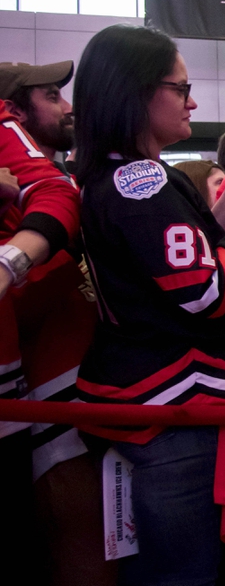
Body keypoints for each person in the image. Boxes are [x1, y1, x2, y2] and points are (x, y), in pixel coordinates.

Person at [71, 24, 225, 585]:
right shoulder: (138, 181)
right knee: (184, 573)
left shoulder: (124, 175)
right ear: (138, 92)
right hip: (171, 412)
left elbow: (173, 266)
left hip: (150, 404)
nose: (192, 101)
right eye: (180, 87)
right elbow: (206, 291)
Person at [0, 63, 82, 584]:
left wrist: (14, 262)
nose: (67, 106)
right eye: (52, 95)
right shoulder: (5, 126)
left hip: (26, 369)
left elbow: (54, 194)